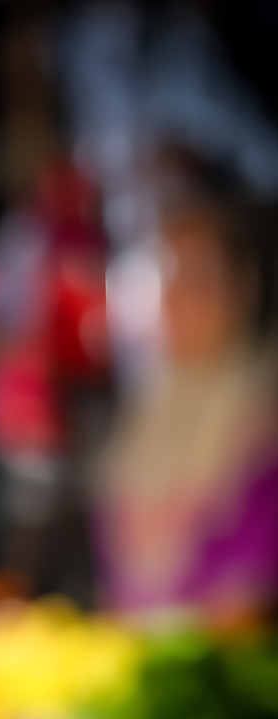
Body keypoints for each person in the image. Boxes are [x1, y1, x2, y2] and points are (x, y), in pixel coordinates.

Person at [94, 175, 278, 624]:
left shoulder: (261, 420)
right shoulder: (144, 418)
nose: (178, 298)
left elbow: (248, 601)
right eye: (164, 276)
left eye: (198, 276)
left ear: (244, 289)